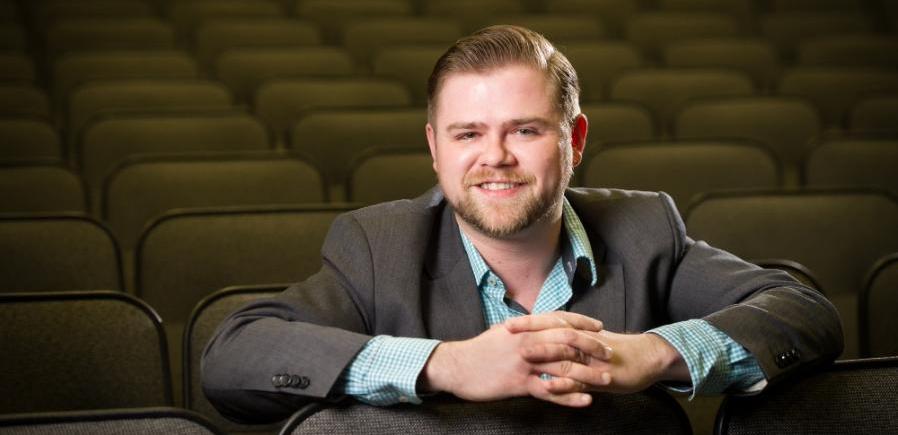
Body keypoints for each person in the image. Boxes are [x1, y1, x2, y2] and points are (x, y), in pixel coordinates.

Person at [202, 25, 842, 423]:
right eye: (468, 134)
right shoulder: (378, 245)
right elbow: (234, 358)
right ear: (435, 148)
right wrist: (445, 366)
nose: (495, 157)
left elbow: (803, 312)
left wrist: (654, 352)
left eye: (526, 130)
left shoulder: (646, 227)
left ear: (575, 139)